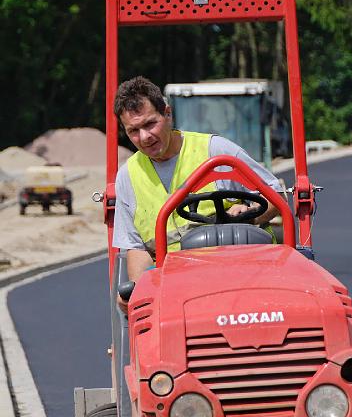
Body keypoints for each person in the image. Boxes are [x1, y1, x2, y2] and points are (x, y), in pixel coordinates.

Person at [112, 76, 283, 288]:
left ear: (167, 114)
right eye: (133, 131)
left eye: (150, 124)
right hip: (176, 288)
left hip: (241, 274)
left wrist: (249, 215)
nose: (145, 136)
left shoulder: (215, 151)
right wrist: (138, 292)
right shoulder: (128, 176)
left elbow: (276, 197)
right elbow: (137, 248)